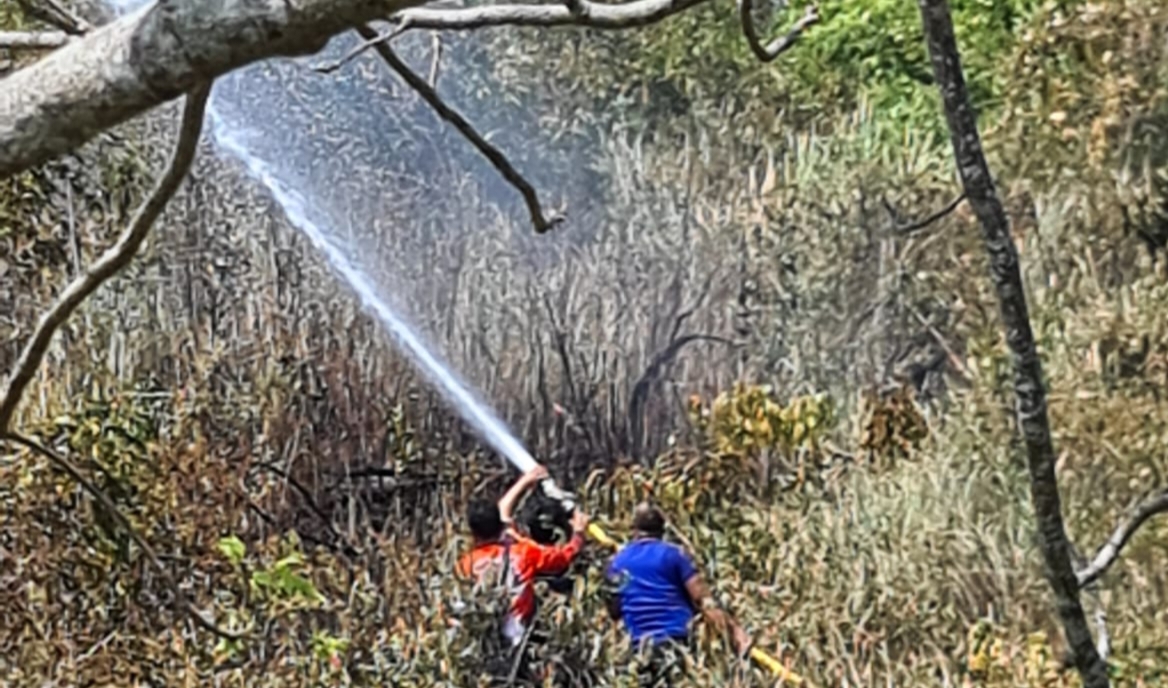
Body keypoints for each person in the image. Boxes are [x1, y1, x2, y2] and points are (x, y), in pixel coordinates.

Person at [456, 464, 589, 679]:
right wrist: (579, 534)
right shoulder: (522, 552)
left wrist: (526, 480)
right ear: (500, 526)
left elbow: (503, 512)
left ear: (472, 533)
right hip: (521, 641)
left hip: (483, 643)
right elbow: (563, 558)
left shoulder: (465, 564)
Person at [604, 502, 750, 686]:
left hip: (639, 647)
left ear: (633, 528)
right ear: (663, 528)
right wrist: (734, 632)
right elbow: (703, 600)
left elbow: (614, 610)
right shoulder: (674, 555)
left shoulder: (617, 563)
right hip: (676, 642)